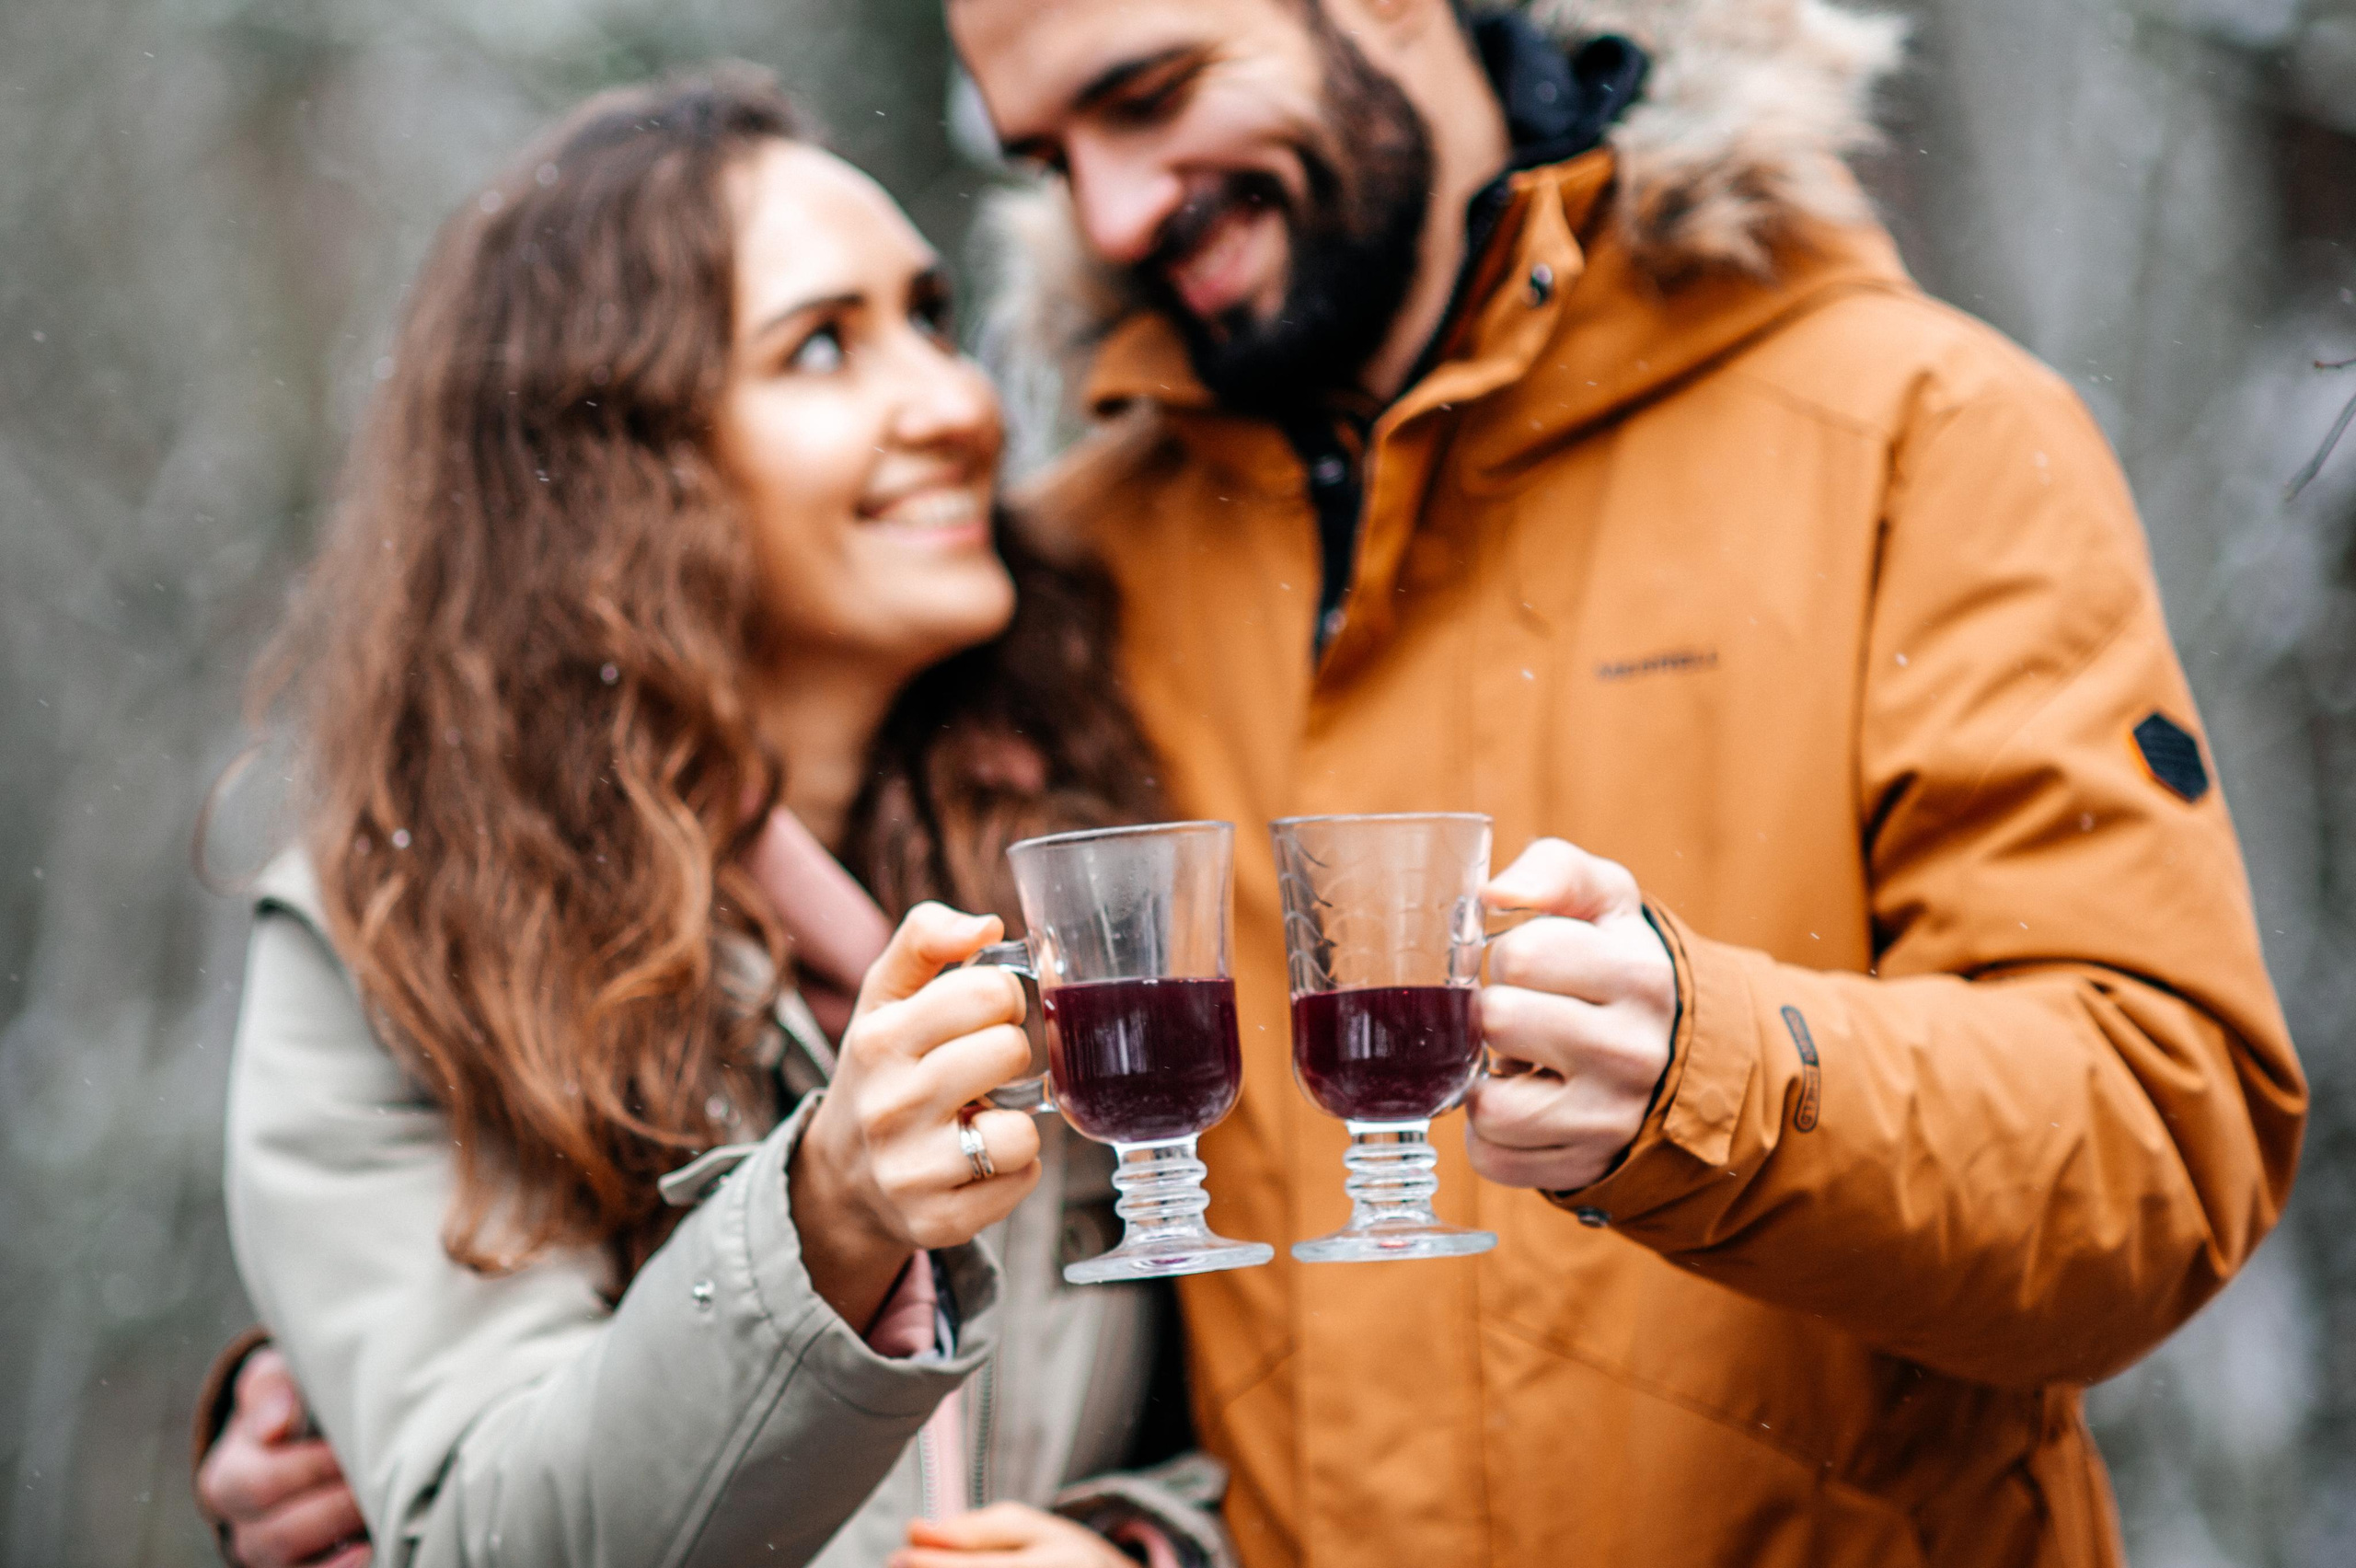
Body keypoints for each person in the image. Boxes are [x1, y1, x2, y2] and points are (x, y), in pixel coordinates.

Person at [938, 0, 2311, 1564]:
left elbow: (2155, 1152)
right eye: (1049, 156)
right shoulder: (1074, 573)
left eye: (1154, 94)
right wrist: (1146, 1544)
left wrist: (1705, 1078)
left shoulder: (1920, 433)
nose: (1110, 213)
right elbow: (1109, 1279)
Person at [197, 67, 1234, 1568]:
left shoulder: (1094, 844)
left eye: (932, 320)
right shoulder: (390, 946)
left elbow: (1285, 1389)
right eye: (823, 347)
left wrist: (1140, 1554)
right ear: (624, 467)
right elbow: (490, 1531)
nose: (954, 404)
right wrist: (826, 1216)